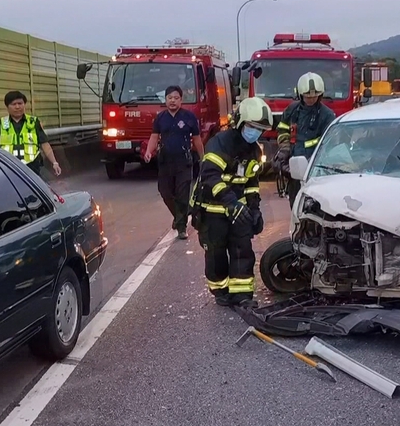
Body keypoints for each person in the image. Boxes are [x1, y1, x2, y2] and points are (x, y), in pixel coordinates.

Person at [191, 96, 270, 307]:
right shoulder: (219, 143)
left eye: (260, 129)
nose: (256, 132)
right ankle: (221, 292)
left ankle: (242, 295)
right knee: (216, 255)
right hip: (213, 210)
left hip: (238, 210)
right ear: (241, 122)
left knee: (242, 250)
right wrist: (230, 202)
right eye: (252, 127)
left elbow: (251, 182)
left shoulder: (254, 150)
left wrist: (254, 209)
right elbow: (210, 176)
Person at [144, 85, 204, 240]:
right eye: (169, 98)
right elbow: (154, 137)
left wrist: (203, 157)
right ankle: (178, 216)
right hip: (165, 162)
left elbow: (197, 139)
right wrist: (149, 152)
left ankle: (182, 227)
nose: (172, 101)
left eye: (176, 98)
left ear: (181, 100)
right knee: (165, 192)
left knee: (183, 195)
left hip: (184, 162)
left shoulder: (189, 117)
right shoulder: (160, 118)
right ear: (165, 100)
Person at [273, 72, 337, 208]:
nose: (311, 100)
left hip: (315, 171)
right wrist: (284, 150)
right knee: (296, 204)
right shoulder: (292, 110)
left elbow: (329, 143)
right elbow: (283, 130)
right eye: (307, 97)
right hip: (294, 169)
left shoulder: (327, 115)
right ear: (300, 95)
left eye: (314, 96)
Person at [0, 91, 61, 178]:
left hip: (32, 167)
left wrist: (54, 162)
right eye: (13, 104)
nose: (17, 107)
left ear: (24, 104)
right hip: (8, 168)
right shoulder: (0, 124)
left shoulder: (34, 122)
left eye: (20, 103)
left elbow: (44, 144)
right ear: (7, 107)